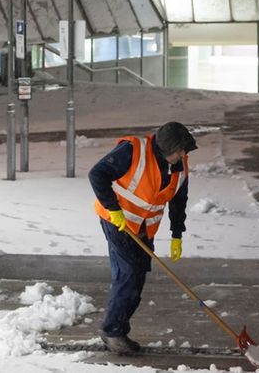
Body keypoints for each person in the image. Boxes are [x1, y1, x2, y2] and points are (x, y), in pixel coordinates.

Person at [89, 121, 197, 355]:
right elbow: (97, 174)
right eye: (180, 150)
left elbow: (179, 201)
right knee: (128, 275)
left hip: (144, 227)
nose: (184, 154)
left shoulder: (179, 165)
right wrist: (113, 209)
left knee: (136, 277)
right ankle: (113, 332)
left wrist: (177, 234)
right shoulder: (133, 151)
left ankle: (118, 328)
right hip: (116, 221)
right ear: (168, 148)